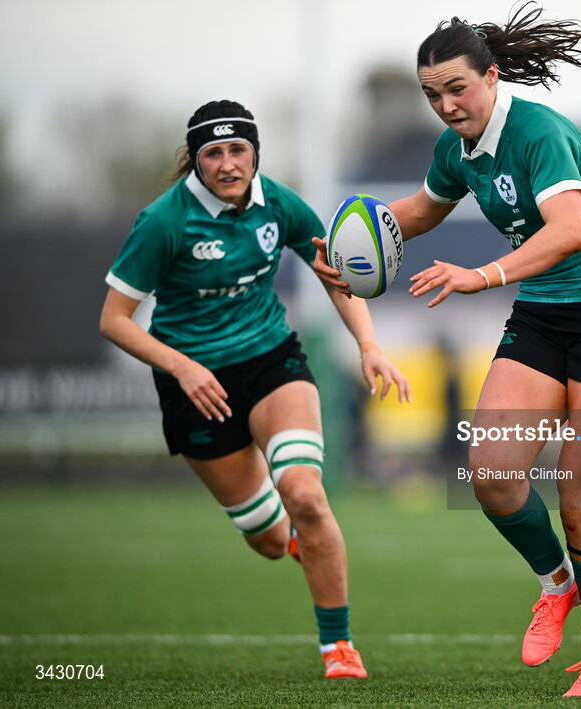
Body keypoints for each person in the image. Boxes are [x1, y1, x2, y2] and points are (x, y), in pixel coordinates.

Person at [315, 4, 581, 697]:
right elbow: (415, 214)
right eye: (431, 94)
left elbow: (565, 231)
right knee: (492, 473)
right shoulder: (455, 150)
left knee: (580, 498)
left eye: (457, 89)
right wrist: (347, 247)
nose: (445, 105)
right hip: (542, 316)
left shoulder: (536, 133)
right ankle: (556, 585)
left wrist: (482, 275)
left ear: (492, 77)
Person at [99, 99, 410, 680]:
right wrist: (182, 368)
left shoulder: (280, 204)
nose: (226, 163)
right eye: (212, 153)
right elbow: (114, 320)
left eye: (237, 149)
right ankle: (295, 540)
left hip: (271, 361)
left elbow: (336, 274)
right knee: (269, 540)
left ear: (254, 153)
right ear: (195, 159)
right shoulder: (164, 222)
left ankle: (338, 647)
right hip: (193, 386)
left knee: (306, 494)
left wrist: (367, 344)